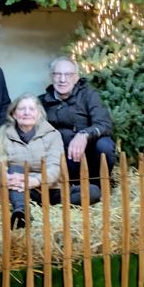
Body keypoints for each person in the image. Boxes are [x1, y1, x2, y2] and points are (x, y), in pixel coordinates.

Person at [40, 56, 116, 197]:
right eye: (58, 74)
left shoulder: (89, 96)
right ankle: (69, 189)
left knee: (104, 144)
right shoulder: (41, 102)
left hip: (88, 156)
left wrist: (84, 134)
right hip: (61, 159)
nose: (63, 80)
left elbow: (105, 124)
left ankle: (100, 185)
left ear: (76, 77)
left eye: (68, 75)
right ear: (51, 77)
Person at [0, 93, 64, 229]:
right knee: (14, 169)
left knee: (92, 192)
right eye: (22, 109)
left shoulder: (53, 135)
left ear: (39, 114)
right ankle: (22, 212)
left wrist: (34, 181)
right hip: (19, 190)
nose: (27, 113)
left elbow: (55, 168)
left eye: (32, 109)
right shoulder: (4, 134)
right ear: (14, 114)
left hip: (48, 189)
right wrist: (5, 180)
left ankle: (32, 203)